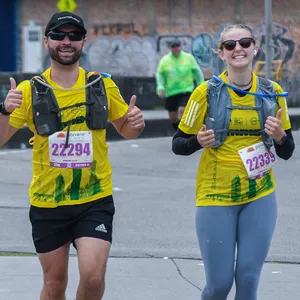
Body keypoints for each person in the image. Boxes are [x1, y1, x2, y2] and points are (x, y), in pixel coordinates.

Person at [0, 11, 145, 300]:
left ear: (83, 42)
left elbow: (126, 130)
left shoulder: (101, 85)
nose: (66, 41)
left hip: (94, 199)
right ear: (46, 41)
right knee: (55, 285)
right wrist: (4, 110)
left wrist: (134, 124)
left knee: (92, 278)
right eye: (59, 35)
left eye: (74, 36)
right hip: (48, 202)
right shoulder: (28, 91)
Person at [172, 24, 295, 300]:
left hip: (260, 194)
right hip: (215, 196)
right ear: (221, 53)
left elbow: (287, 150)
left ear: (255, 48)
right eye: (230, 45)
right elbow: (178, 144)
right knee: (219, 285)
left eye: (245, 42)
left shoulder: (272, 92)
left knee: (249, 279)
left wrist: (279, 137)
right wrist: (197, 142)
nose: (238, 48)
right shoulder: (205, 93)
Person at [155, 38, 204, 130]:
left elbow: (197, 72)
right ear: (170, 48)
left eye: (177, 46)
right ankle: (178, 133)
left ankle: (184, 134)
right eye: (173, 46)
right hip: (171, 92)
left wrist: (201, 84)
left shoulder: (188, 58)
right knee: (173, 118)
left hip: (186, 90)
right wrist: (160, 87)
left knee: (182, 112)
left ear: (180, 47)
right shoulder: (165, 60)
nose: (176, 48)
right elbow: (160, 75)